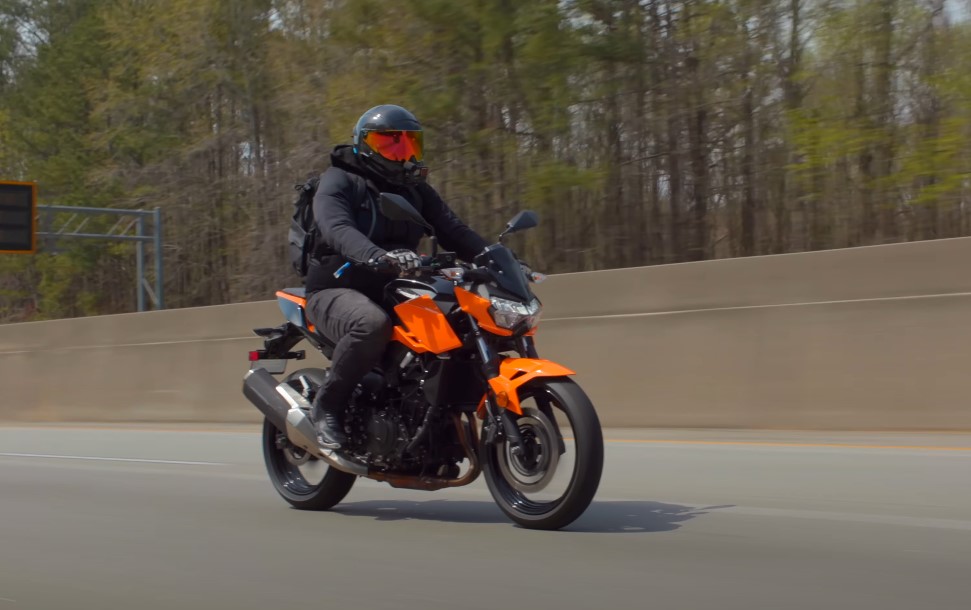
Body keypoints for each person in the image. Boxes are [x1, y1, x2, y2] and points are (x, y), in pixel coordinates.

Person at [305, 104, 489, 449]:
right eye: (389, 144)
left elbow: (454, 231)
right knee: (370, 324)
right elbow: (336, 227)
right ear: (364, 144)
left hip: (396, 287)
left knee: (457, 323)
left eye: (407, 145)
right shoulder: (339, 180)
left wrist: (497, 257)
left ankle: (431, 415)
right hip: (336, 286)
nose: (399, 153)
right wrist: (375, 255)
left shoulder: (415, 190)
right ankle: (327, 405)